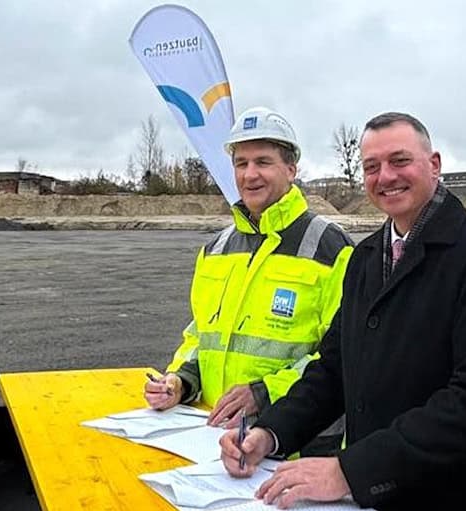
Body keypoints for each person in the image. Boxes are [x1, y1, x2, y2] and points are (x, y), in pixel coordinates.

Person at [220, 112, 466, 511]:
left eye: (399, 160)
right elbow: (334, 371)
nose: (385, 177)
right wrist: (271, 433)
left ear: (434, 164)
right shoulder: (366, 258)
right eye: (371, 167)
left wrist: (349, 472)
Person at [145, 107, 353, 443]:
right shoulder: (216, 249)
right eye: (241, 163)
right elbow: (201, 337)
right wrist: (180, 382)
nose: (250, 174)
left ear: (291, 169)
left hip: (295, 443)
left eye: (263, 162)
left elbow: (342, 355)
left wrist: (264, 392)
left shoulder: (331, 249)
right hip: (210, 439)